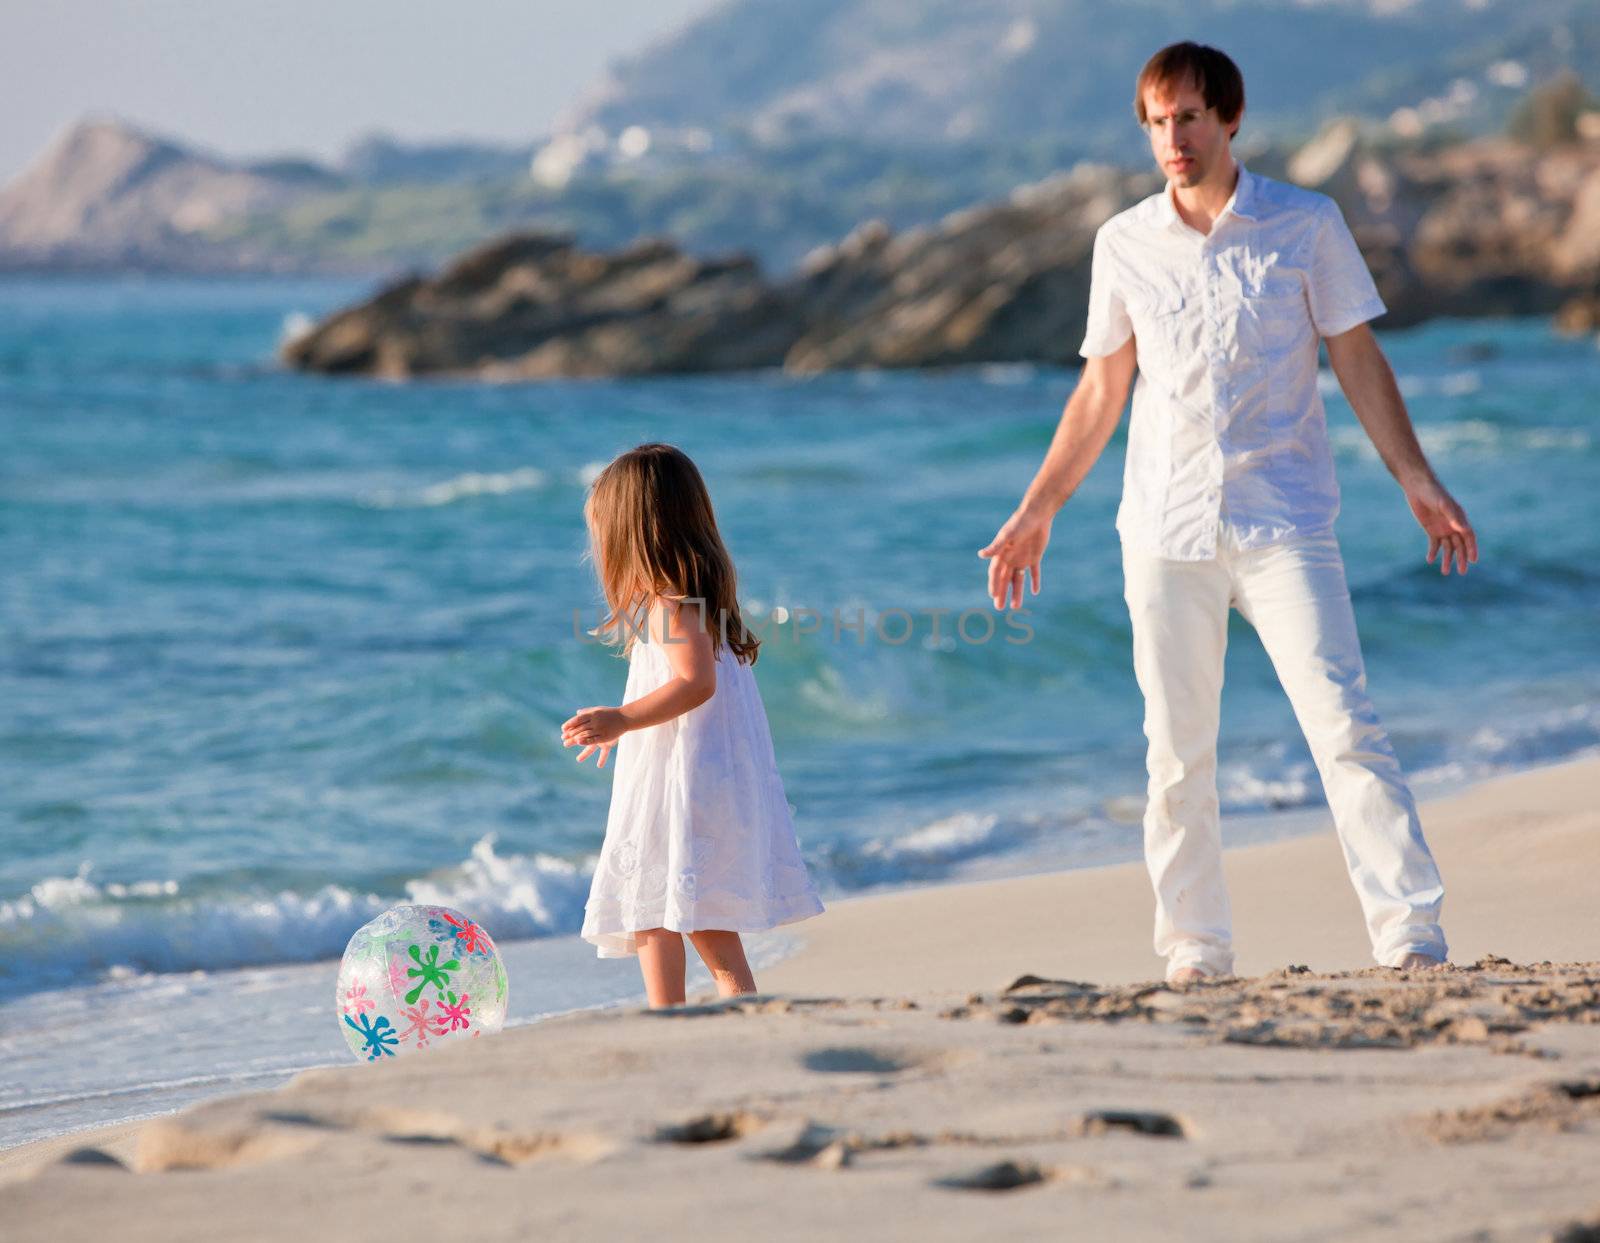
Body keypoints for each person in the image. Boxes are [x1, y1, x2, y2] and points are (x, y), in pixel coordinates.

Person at [978, 42, 1478, 987]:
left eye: (1193, 117)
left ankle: (1411, 933)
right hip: (1165, 530)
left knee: (1344, 722)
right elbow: (1101, 390)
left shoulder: (1305, 223)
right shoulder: (1123, 242)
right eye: (1160, 121)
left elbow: (1358, 358)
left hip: (1285, 520)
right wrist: (1037, 509)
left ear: (1231, 120)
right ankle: (1196, 947)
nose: (1176, 137)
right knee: (1175, 754)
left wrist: (1417, 478)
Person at [565, 442, 824, 1007]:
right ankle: (738, 1005)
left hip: (684, 779)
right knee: (686, 911)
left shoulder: (670, 604)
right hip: (698, 772)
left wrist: (621, 720)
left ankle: (671, 1015)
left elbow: (695, 683)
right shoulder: (700, 604)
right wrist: (627, 727)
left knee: (655, 905)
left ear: (632, 534)